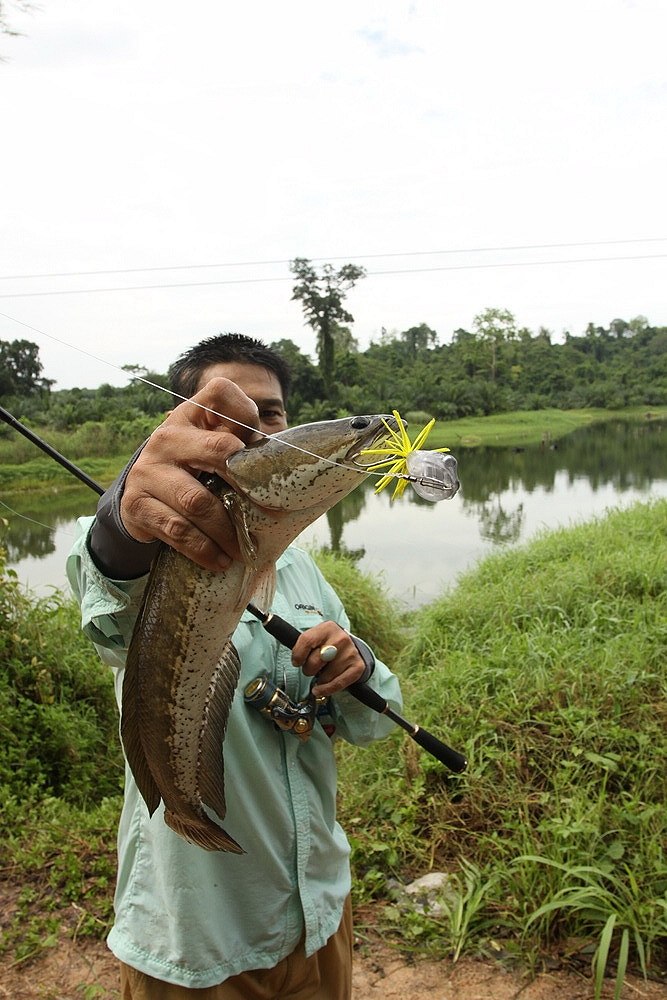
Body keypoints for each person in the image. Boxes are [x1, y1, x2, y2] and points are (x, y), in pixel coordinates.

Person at [66, 333, 402, 1000]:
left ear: (290, 426)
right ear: (181, 425)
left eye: (269, 414)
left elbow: (372, 723)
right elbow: (109, 588)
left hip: (319, 914)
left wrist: (354, 664)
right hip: (197, 937)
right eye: (223, 414)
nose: (249, 430)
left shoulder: (303, 567)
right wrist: (123, 517)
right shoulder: (146, 541)